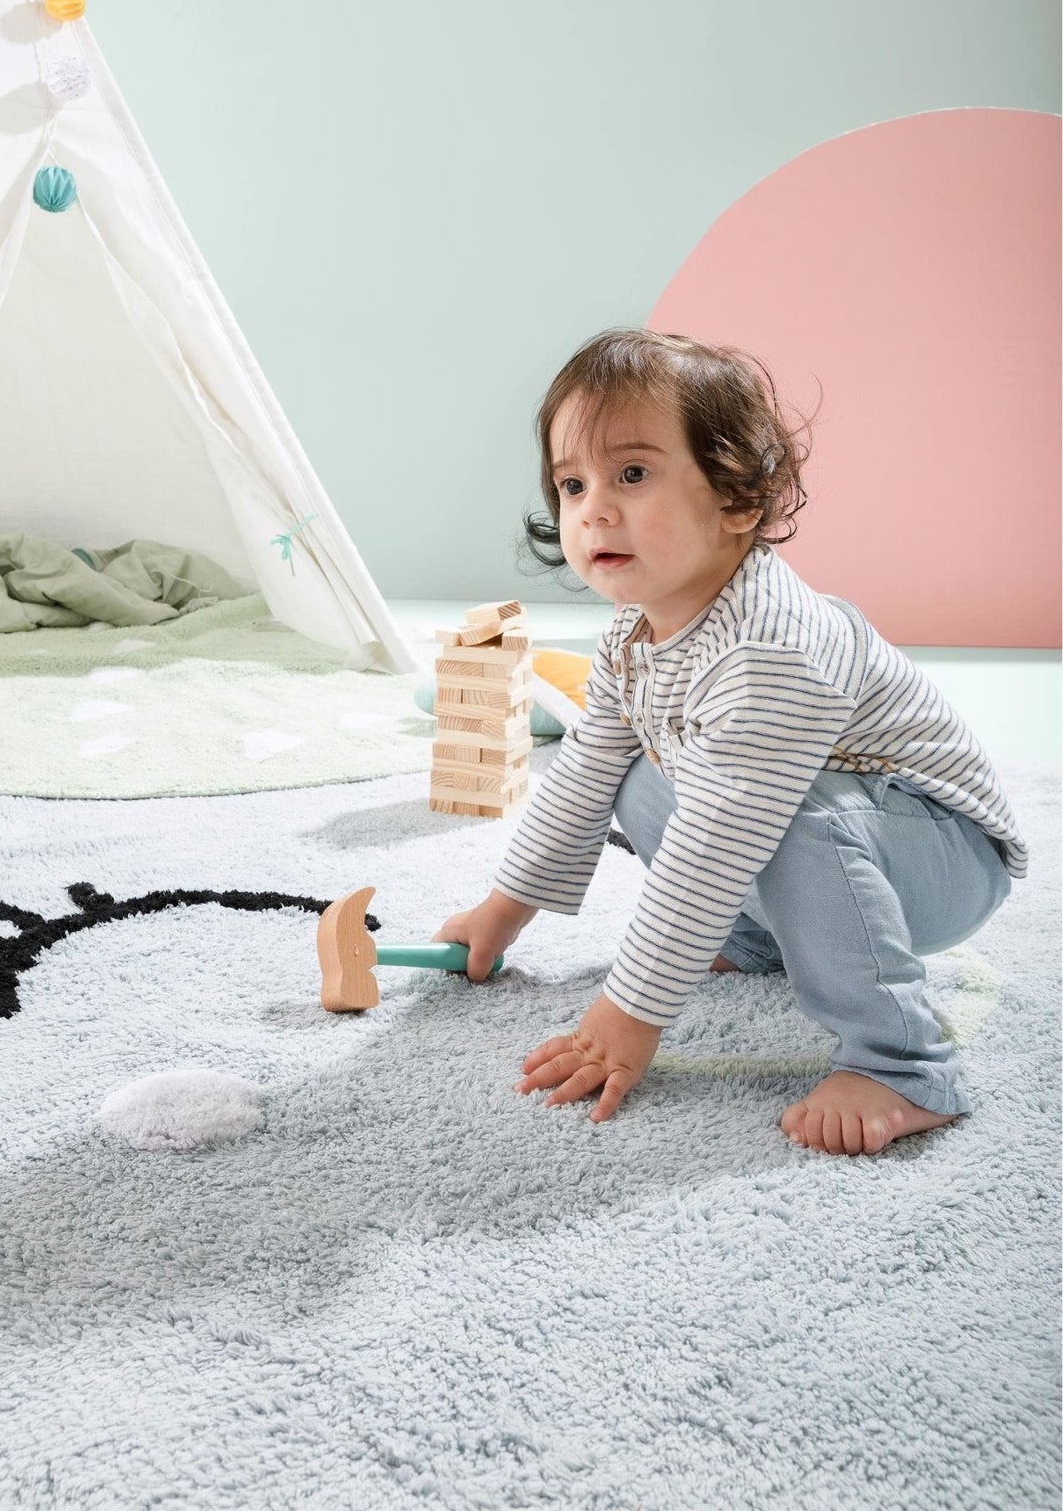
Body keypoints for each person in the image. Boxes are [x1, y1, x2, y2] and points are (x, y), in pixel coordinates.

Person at [432, 328, 1026, 1156]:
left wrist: (630, 1012)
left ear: (739, 501)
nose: (593, 507)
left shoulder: (770, 649)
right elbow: (584, 776)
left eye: (631, 474)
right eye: (572, 484)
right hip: (840, 828)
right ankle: (758, 940)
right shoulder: (637, 629)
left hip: (943, 859)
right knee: (635, 773)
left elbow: (719, 838)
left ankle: (903, 1063)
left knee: (782, 818)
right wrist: (504, 910)